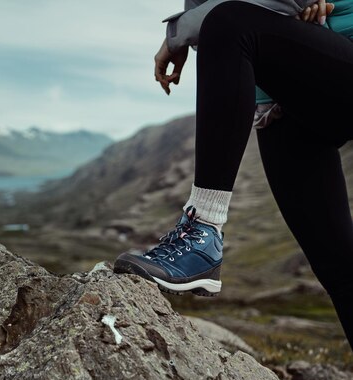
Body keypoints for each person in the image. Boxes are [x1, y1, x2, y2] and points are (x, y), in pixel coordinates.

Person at [113, 0, 353, 348]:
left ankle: (203, 227)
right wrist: (190, 27)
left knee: (229, 22)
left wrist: (180, 32)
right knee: (339, 267)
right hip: (283, 94)